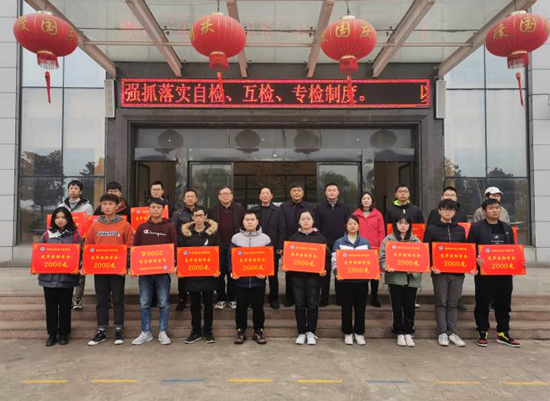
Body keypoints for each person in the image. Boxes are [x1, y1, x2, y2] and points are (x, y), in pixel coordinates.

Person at [468, 198, 521, 348]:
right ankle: (482, 331)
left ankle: (503, 332)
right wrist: (475, 260)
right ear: (484, 211)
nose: (495, 210)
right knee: (483, 303)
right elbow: (469, 248)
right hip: (485, 275)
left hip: (504, 274)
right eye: (491, 208)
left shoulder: (506, 227)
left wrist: (518, 262)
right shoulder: (477, 227)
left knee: (504, 304)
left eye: (497, 208)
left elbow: (512, 250)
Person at [85, 194, 134, 346]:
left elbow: (130, 247)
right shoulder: (94, 225)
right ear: (101, 206)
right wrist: (86, 265)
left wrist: (126, 266)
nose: (107, 207)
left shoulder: (124, 225)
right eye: (104, 204)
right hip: (100, 269)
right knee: (101, 300)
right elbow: (88, 247)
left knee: (118, 300)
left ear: (117, 206)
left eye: (110, 204)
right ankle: (101, 330)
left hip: (117, 270)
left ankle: (119, 329)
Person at [424, 199, 471, 348]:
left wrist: (469, 265)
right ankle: (442, 333)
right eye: (444, 209)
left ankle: (453, 332)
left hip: (457, 273)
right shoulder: (431, 229)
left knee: (453, 303)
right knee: (441, 302)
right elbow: (426, 250)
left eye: (450, 209)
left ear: (455, 212)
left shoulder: (460, 230)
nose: (447, 212)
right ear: (439, 211)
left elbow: (465, 251)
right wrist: (432, 265)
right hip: (440, 273)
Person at [131, 198, 177, 346]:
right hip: (145, 272)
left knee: (163, 302)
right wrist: (133, 267)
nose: (155, 210)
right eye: (153, 207)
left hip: (163, 272)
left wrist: (174, 264)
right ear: (148, 209)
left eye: (158, 207)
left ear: (163, 210)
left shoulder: (169, 227)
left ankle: (163, 332)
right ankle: (146, 332)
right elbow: (135, 248)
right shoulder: (142, 227)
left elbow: (174, 247)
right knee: (144, 303)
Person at [38, 207, 83, 346]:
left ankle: (64, 334)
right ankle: (51, 335)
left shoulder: (75, 236)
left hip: (67, 279)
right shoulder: (47, 235)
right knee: (50, 308)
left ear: (68, 219)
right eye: (57, 217)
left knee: (65, 307)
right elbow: (39, 254)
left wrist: (78, 266)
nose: (60, 220)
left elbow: (81, 255)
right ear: (53, 220)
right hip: (48, 279)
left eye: (63, 217)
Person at [228, 211, 272, 345]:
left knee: (258, 307)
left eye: (252, 219)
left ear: (257, 221)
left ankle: (258, 332)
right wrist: (232, 271)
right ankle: (240, 332)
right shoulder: (236, 238)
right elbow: (230, 257)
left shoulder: (265, 239)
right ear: (243, 222)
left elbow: (269, 259)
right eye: (247, 219)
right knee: (241, 307)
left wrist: (266, 272)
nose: (250, 222)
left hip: (258, 281)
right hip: (241, 281)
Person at [380, 216, 422, 348]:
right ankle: (399, 332)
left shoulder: (416, 240)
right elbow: (382, 258)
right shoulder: (388, 240)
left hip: (411, 280)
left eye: (406, 223)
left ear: (410, 225)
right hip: (395, 279)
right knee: (397, 307)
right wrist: (387, 267)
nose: (403, 226)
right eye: (400, 223)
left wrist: (413, 271)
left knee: (410, 307)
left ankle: (408, 331)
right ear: (395, 224)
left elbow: (422, 260)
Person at [286, 211, 327, 345]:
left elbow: (326, 257)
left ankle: (311, 332)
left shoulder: (320, 238)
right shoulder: (293, 238)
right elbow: (288, 257)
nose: (305, 221)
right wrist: (286, 265)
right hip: (297, 277)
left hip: (314, 278)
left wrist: (324, 269)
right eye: (303, 219)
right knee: (299, 304)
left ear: (313, 221)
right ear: (299, 222)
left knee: (312, 304)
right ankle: (301, 332)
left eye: (308, 219)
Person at [180, 206, 220, 344]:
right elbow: (181, 253)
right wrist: (181, 270)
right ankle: (196, 331)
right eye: (196, 215)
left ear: (205, 217)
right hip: (192, 275)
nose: (198, 218)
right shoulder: (186, 234)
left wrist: (217, 268)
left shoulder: (212, 233)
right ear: (192, 217)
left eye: (201, 215)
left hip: (208, 275)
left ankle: (208, 331)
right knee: (194, 305)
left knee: (208, 304)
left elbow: (219, 252)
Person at [332, 215, 371, 346]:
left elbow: (370, 261)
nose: (352, 226)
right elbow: (334, 261)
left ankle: (359, 333)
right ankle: (347, 332)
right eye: (350, 224)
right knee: (346, 308)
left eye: (355, 223)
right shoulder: (339, 242)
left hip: (362, 282)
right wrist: (337, 273)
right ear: (346, 226)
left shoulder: (365, 242)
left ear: (358, 226)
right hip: (345, 282)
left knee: (360, 308)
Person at [57, 180, 93, 312]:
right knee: (65, 269)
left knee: (80, 271)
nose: (73, 190)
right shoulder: (61, 205)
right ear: (68, 190)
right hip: (65, 242)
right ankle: (65, 297)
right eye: (71, 188)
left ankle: (78, 298)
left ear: (81, 191)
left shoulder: (87, 207)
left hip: (80, 241)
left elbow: (90, 224)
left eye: (76, 188)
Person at [208, 187, 245, 310]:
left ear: (232, 196)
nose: (225, 196)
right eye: (223, 194)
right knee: (219, 274)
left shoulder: (240, 210)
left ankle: (232, 298)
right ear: (219, 196)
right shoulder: (212, 210)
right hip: (218, 247)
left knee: (233, 274)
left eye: (228, 194)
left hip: (235, 247)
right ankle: (221, 298)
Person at [280, 182, 315, 307]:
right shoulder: (284, 207)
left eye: (299, 190)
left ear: (303, 192)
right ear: (290, 193)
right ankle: (290, 298)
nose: (296, 192)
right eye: (294, 190)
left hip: (306, 243)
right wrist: (282, 245)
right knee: (289, 272)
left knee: (305, 271)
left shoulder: (309, 207)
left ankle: (304, 298)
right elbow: (282, 226)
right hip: (289, 243)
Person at [315, 183, 350, 307]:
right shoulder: (320, 208)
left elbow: (349, 227)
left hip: (340, 245)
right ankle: (324, 298)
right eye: (329, 190)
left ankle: (340, 298)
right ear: (325, 193)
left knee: (339, 273)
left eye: (334, 190)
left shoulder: (345, 208)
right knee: (324, 273)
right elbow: (317, 227)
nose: (331, 192)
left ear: (338, 192)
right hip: (324, 245)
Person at [251, 186, 285, 309]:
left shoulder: (278, 210)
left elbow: (282, 229)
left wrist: (280, 246)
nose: (265, 195)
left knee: (273, 276)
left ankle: (273, 299)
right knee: (256, 275)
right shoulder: (254, 210)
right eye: (263, 193)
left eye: (267, 193)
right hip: (256, 248)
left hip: (273, 247)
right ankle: (255, 300)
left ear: (271, 196)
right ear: (259, 196)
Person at [353, 192, 385, 308]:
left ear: (372, 201)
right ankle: (361, 298)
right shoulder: (355, 214)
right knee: (361, 275)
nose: (366, 200)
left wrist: (381, 248)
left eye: (368, 198)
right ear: (360, 201)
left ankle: (374, 298)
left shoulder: (378, 214)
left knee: (375, 276)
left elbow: (381, 232)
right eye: (364, 198)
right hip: (359, 248)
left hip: (375, 248)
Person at [172, 189, 198, 311]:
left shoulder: (201, 212)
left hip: (197, 248)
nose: (190, 198)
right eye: (188, 196)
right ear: (184, 199)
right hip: (183, 249)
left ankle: (195, 300)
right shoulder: (177, 213)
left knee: (196, 275)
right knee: (182, 276)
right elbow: (174, 232)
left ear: (196, 199)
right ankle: (182, 299)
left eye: (192, 196)